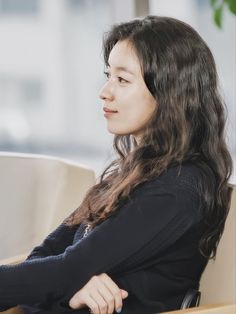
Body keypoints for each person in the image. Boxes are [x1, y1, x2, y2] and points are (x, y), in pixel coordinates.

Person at [0, 15, 233, 314]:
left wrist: (66, 284)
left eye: (122, 80)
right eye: (108, 75)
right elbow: (47, 259)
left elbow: (66, 270)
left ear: (169, 92)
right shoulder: (135, 171)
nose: (105, 91)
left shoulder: (178, 188)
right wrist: (69, 288)